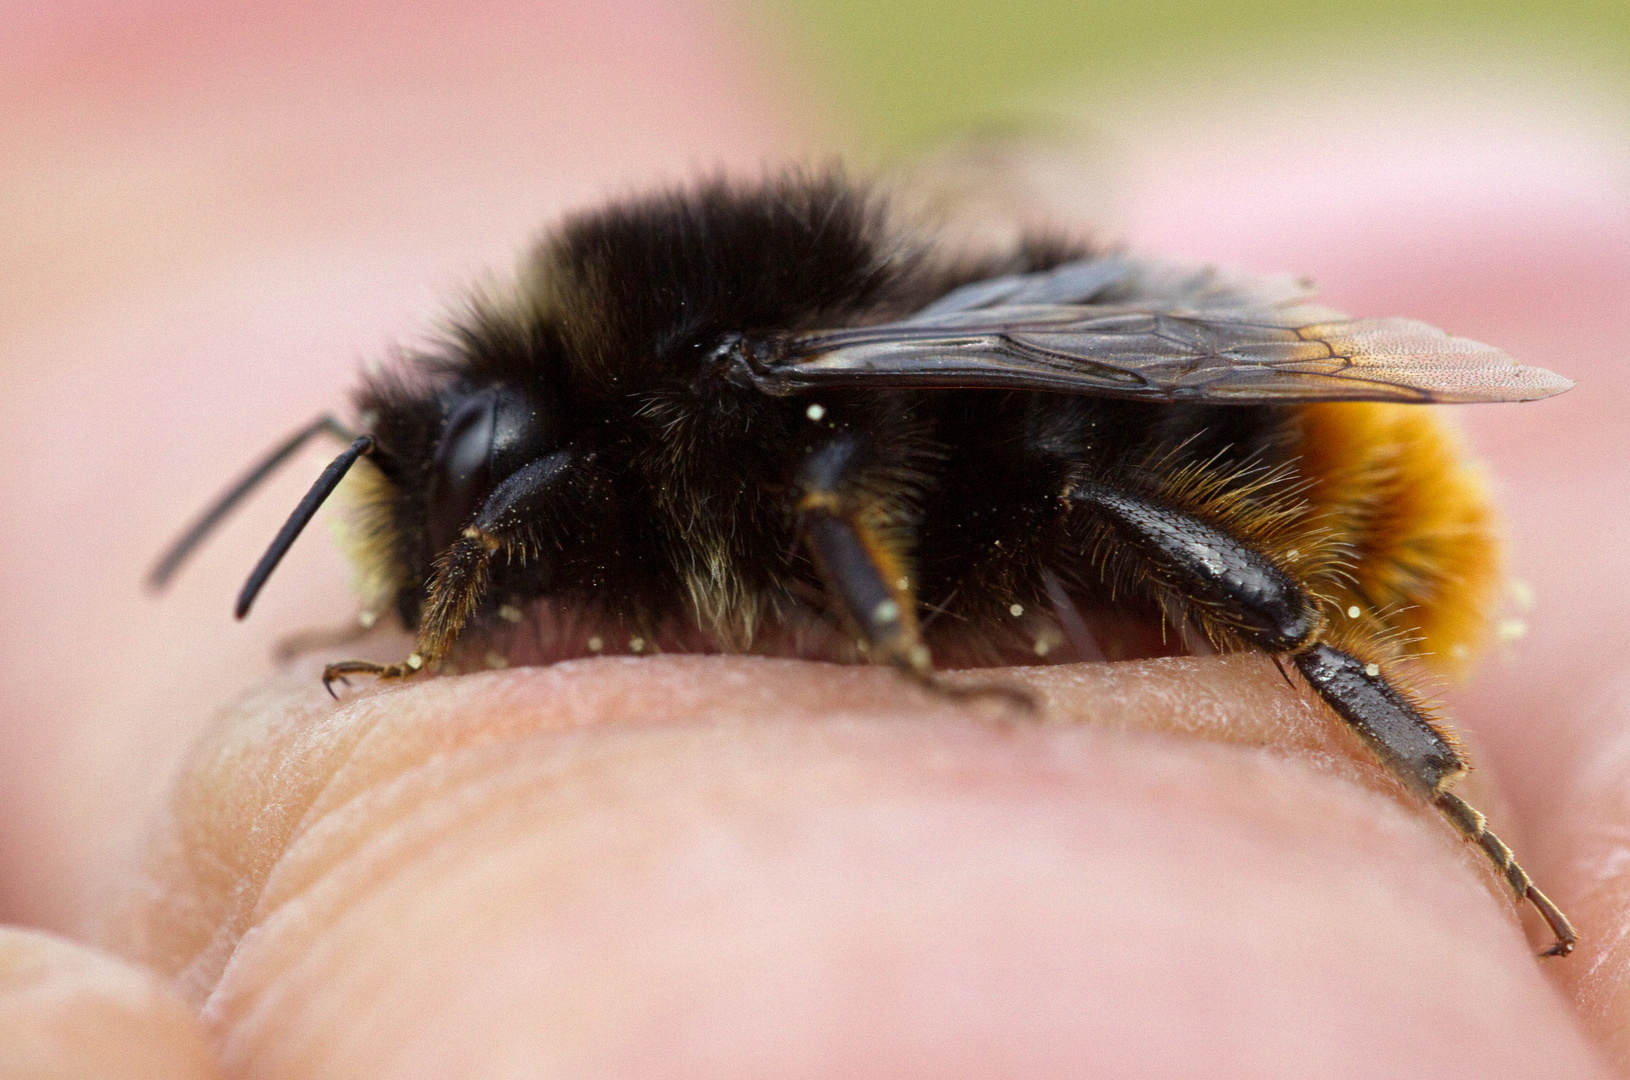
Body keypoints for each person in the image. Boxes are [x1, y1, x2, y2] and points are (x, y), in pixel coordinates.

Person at [3, 4, 1625, 1075]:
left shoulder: (760, 390)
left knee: (1076, 494)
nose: (485, 539)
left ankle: (1433, 794)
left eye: (478, 519)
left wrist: (896, 650)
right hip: (1140, 363)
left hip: (1269, 448)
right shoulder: (698, 380)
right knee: (1040, 480)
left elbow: (831, 461)